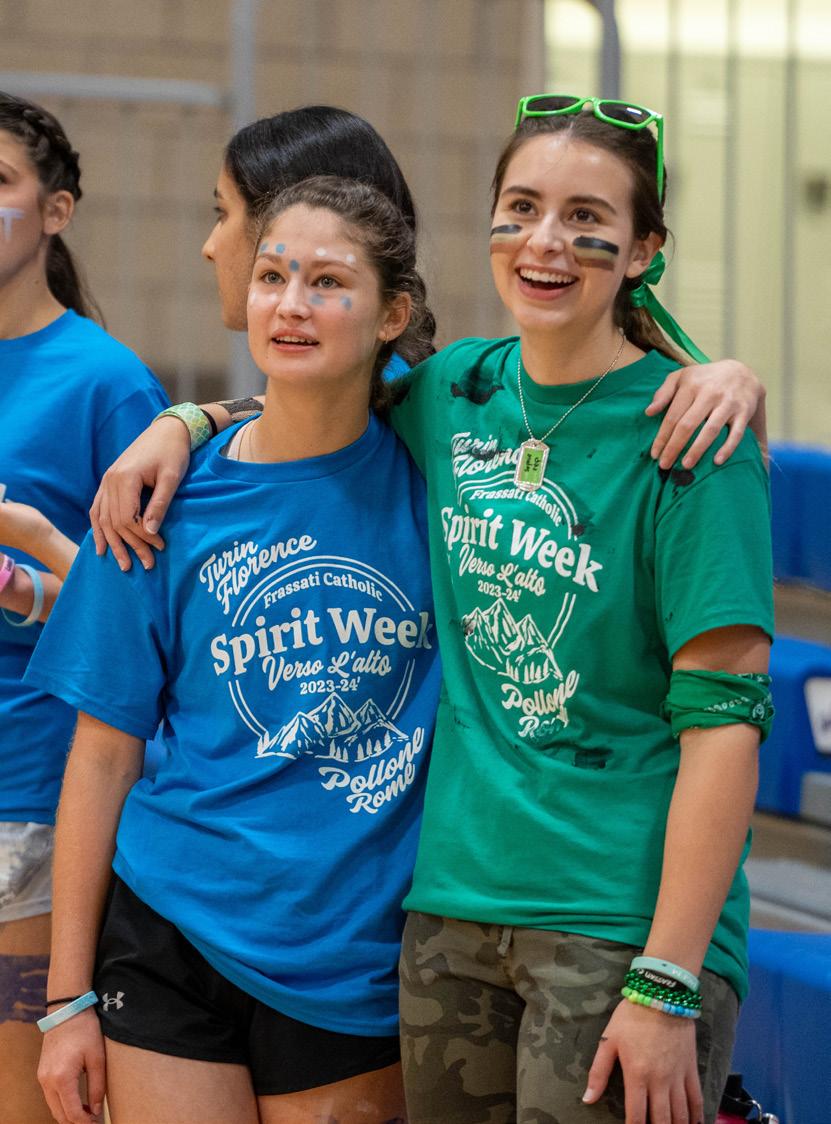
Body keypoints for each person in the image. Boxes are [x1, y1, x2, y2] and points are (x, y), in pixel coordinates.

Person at [102, 100, 773, 1124]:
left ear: (644, 250)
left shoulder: (690, 435)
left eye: (586, 217)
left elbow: (726, 725)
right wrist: (185, 420)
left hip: (617, 922)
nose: (545, 241)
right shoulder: (456, 392)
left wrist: (669, 977)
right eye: (522, 208)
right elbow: (315, 391)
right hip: (451, 918)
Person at [28, 177, 440, 1124]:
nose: (290, 305)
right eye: (272, 276)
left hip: (348, 953)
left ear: (392, 314)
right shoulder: (154, 501)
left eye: (328, 281)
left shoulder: (439, 486)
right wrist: (66, 999)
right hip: (169, 928)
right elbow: (102, 757)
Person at [0, 92, 168, 1124]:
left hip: (26, 793)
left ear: (56, 211)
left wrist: (22, 583)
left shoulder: (108, 384)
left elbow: (137, 623)